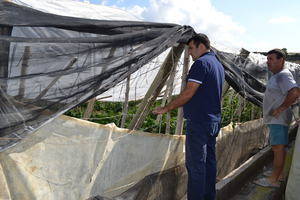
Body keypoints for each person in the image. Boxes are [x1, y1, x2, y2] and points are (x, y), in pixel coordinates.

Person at [153, 33, 224, 200]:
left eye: (191, 48)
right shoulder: (217, 64)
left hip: (199, 122)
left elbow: (189, 92)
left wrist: (166, 108)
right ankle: (209, 197)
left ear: (201, 46)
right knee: (209, 163)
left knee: (196, 166)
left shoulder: (201, 63)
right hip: (212, 120)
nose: (190, 53)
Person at [255, 49, 300, 188]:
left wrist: (280, 108)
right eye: (267, 59)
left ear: (281, 60)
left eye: (271, 59)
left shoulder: (283, 75)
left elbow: (295, 92)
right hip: (276, 120)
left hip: (278, 120)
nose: (268, 62)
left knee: (278, 148)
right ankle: (278, 175)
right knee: (279, 148)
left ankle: (273, 180)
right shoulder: (278, 75)